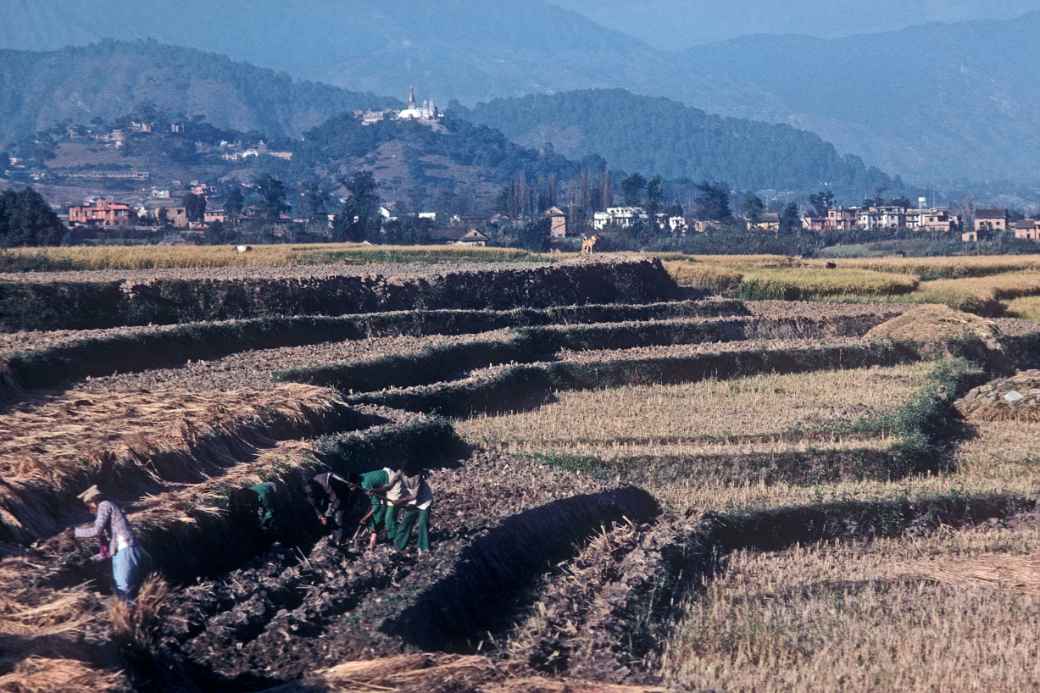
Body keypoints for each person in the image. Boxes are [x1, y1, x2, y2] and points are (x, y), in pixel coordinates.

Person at [72, 485, 144, 603]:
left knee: (123, 590)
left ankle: (130, 616)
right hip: (123, 550)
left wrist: (75, 532)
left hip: (125, 549)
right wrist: (93, 559)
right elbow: (107, 550)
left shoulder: (104, 505)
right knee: (121, 589)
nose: (89, 508)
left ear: (93, 501)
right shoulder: (107, 508)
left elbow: (96, 530)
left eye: (88, 505)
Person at [356, 467, 402, 550]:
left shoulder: (365, 485)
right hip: (383, 485)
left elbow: (376, 506)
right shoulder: (360, 477)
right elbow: (375, 504)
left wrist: (365, 518)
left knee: (389, 518)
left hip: (392, 482)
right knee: (378, 514)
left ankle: (397, 542)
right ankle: (372, 542)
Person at [304, 471, 353, 545]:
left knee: (338, 515)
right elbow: (315, 505)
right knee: (326, 514)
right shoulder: (309, 493)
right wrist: (321, 516)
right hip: (327, 494)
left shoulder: (326, 484)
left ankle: (341, 538)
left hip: (340, 490)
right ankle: (332, 533)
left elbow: (337, 499)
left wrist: (332, 509)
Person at [391, 470, 433, 556]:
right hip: (413, 502)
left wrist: (400, 501)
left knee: (423, 524)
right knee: (405, 522)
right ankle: (398, 546)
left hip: (424, 501)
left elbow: (414, 496)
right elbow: (389, 486)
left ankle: (424, 548)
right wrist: (376, 491)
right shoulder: (400, 472)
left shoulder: (417, 477)